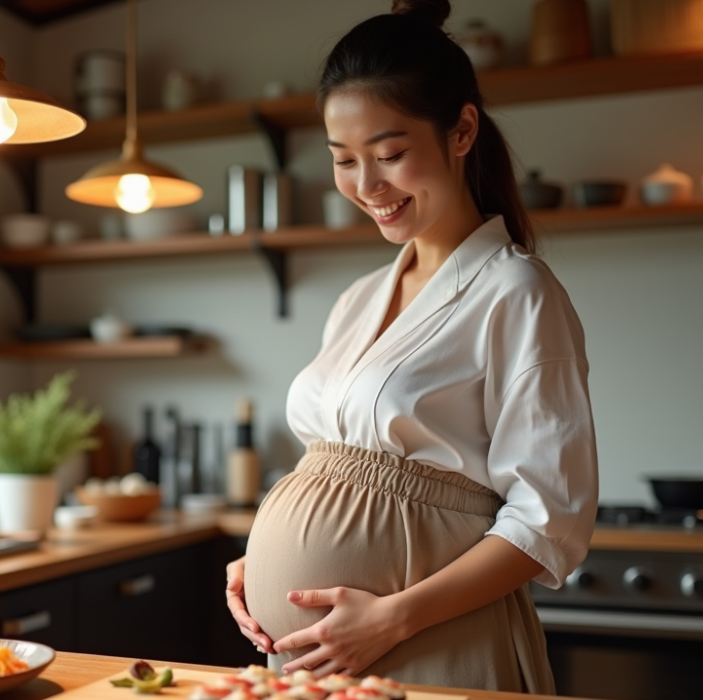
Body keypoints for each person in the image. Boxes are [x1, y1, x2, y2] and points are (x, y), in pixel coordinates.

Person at [225, 0, 599, 693]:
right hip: (314, 656)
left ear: (461, 130)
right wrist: (260, 557)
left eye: (390, 154)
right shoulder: (357, 299)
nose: (367, 188)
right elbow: (335, 471)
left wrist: (391, 618)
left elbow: (549, 519)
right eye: (344, 161)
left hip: (429, 640)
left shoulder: (516, 291)